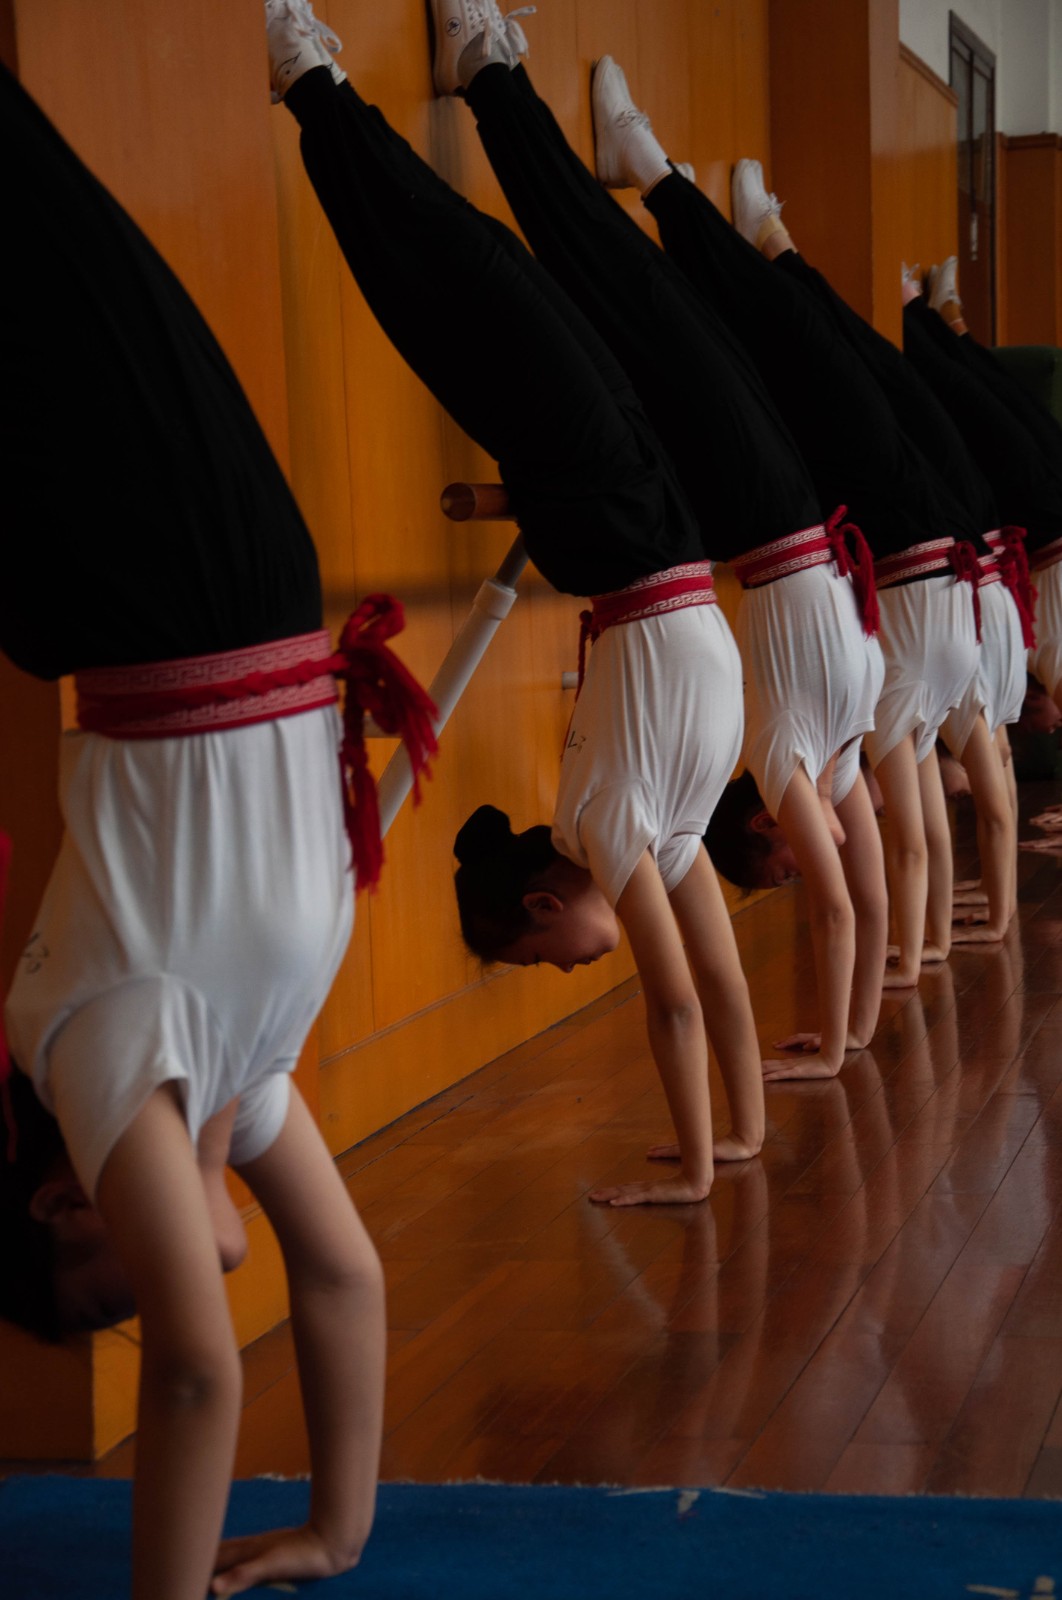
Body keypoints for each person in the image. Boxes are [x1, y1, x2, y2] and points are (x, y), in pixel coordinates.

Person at [0, 34, 451, 1596]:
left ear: (65, 1193)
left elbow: (201, 1371)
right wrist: (336, 1529)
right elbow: (340, 1274)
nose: (147, 1309)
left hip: (163, 592)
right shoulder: (229, 1078)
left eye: (99, 1291)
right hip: (226, 592)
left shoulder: (99, 1048)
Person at [429, 4, 891, 1084]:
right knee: (656, 295)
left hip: (750, 513)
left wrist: (842, 1044)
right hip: (782, 512)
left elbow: (851, 899)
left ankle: (497, 78)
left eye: (776, 868)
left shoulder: (781, 752)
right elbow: (872, 886)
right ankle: (625, 158)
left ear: (763, 826)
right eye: (796, 870)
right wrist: (852, 1034)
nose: (803, 864)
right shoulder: (838, 752)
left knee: (615, 280)